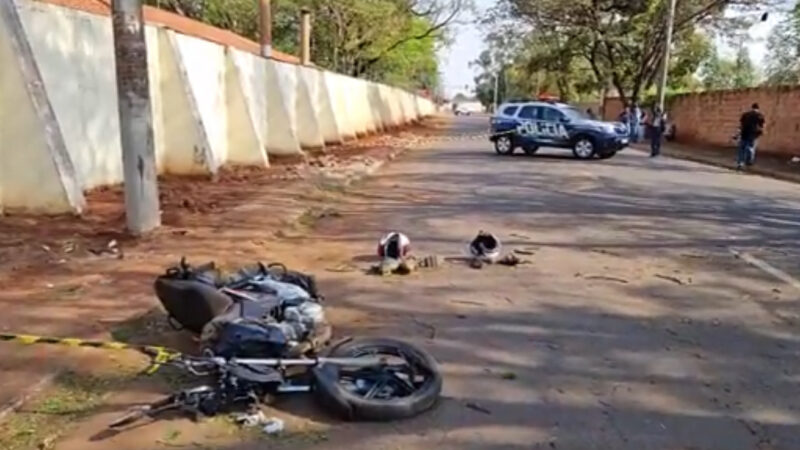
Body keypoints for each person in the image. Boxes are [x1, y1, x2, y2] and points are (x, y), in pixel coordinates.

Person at [737, 103, 765, 170]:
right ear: (758, 108)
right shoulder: (759, 115)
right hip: (753, 134)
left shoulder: (745, 114)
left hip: (744, 134)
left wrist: (738, 133)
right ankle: (749, 161)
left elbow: (741, 125)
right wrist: (760, 132)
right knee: (750, 148)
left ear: (752, 108)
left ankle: (740, 163)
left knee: (742, 149)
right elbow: (761, 126)